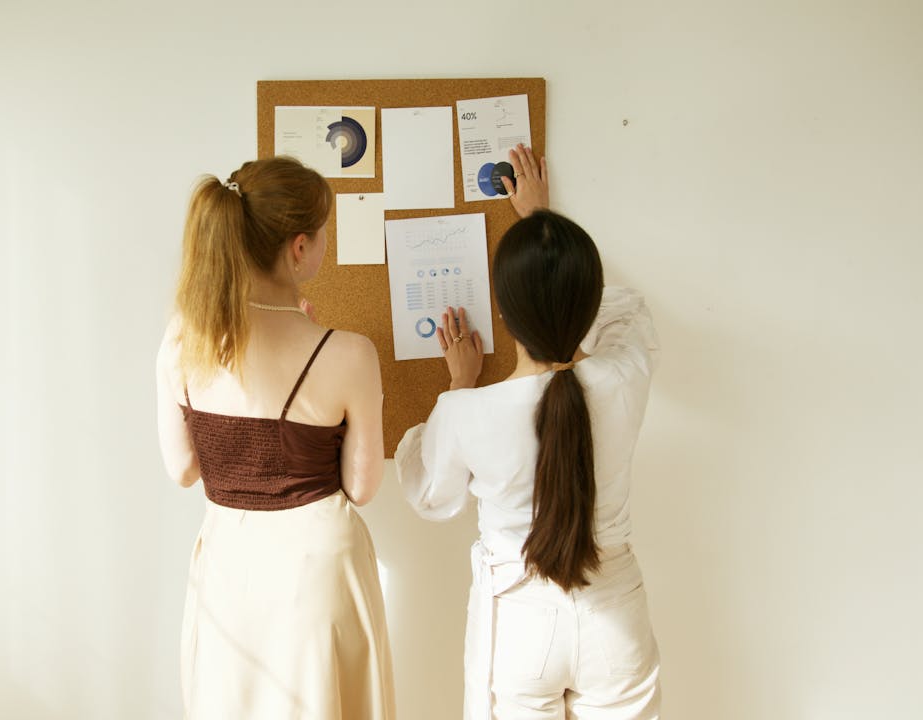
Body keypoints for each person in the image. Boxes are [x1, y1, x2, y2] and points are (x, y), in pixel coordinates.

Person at [395, 145, 662, 719]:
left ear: (504, 315)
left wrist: (459, 388)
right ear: (584, 301)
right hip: (616, 616)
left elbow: (429, 495)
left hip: (519, 626)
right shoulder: (623, 378)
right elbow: (625, 314)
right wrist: (542, 224)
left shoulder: (470, 413)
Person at [156, 156, 395, 719]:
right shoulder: (349, 354)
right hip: (317, 572)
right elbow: (361, 488)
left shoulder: (180, 340)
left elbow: (183, 469)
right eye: (324, 233)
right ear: (298, 247)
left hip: (228, 569)